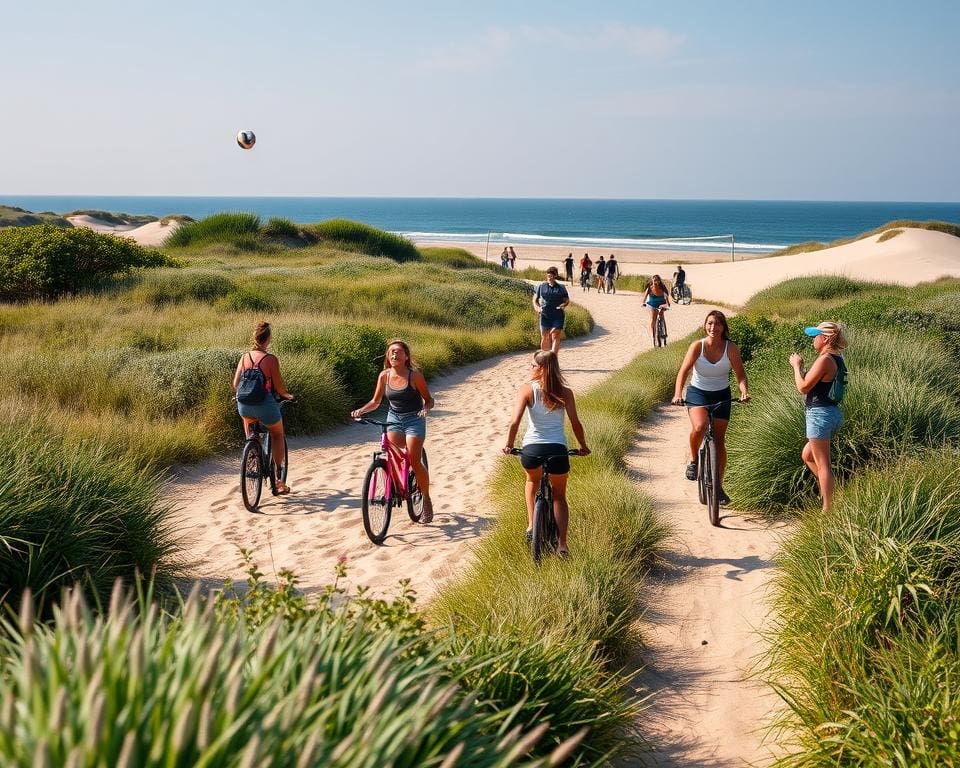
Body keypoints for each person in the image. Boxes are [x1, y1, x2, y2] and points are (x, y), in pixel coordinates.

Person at [503, 350, 590, 557]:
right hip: (557, 450)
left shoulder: (527, 390)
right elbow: (575, 423)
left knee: (532, 481)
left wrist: (508, 444)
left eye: (532, 365)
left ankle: (532, 525)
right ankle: (562, 545)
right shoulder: (565, 392)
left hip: (532, 450)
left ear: (541, 369)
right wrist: (583, 446)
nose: (530, 368)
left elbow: (514, 422)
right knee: (559, 496)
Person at [351, 339, 436, 522]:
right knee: (392, 453)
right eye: (391, 352)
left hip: (414, 418)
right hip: (394, 419)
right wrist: (361, 410)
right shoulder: (384, 376)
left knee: (414, 457)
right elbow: (375, 402)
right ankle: (398, 486)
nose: (394, 354)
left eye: (398, 351)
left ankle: (426, 499)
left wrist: (425, 410)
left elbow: (429, 400)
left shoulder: (415, 376)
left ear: (406, 356)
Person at [672, 310, 750, 506]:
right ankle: (693, 460)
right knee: (700, 426)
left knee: (719, 440)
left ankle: (718, 486)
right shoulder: (697, 346)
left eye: (717, 324)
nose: (713, 328)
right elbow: (683, 371)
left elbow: (740, 375)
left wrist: (744, 392)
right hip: (698, 393)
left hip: (721, 394)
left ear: (723, 327)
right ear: (705, 325)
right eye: (710, 323)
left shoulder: (730, 348)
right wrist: (677, 394)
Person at [789, 321, 847, 512]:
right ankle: (832, 492)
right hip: (832, 413)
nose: (813, 339)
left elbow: (803, 387)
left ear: (826, 338)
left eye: (816, 336)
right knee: (807, 455)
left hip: (819, 415)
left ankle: (828, 510)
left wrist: (796, 367)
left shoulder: (824, 360)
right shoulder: (836, 359)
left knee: (824, 466)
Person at [233, 321, 294, 495]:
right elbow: (280, 388)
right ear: (268, 339)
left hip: (244, 405)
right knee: (277, 433)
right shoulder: (270, 360)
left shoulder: (244, 357)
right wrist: (288, 396)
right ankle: (278, 479)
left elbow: (236, 384)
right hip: (264, 405)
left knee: (250, 428)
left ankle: (253, 456)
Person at [533, 266, 570, 354]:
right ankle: (545, 360)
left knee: (556, 336)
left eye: (551, 276)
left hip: (558, 315)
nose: (549, 278)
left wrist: (563, 305)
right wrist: (537, 308)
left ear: (555, 276)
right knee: (545, 337)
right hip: (545, 315)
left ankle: (553, 360)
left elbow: (567, 300)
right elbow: (535, 299)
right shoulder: (541, 286)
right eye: (548, 276)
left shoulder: (561, 288)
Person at [641, 275, 671, 346]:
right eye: (654, 280)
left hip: (661, 304)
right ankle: (653, 337)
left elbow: (666, 297)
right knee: (653, 319)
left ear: (659, 281)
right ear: (652, 281)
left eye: (657, 280)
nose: (656, 282)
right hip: (652, 305)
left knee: (662, 316)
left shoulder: (662, 288)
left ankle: (664, 333)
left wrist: (667, 304)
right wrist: (643, 303)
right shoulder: (649, 288)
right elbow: (645, 297)